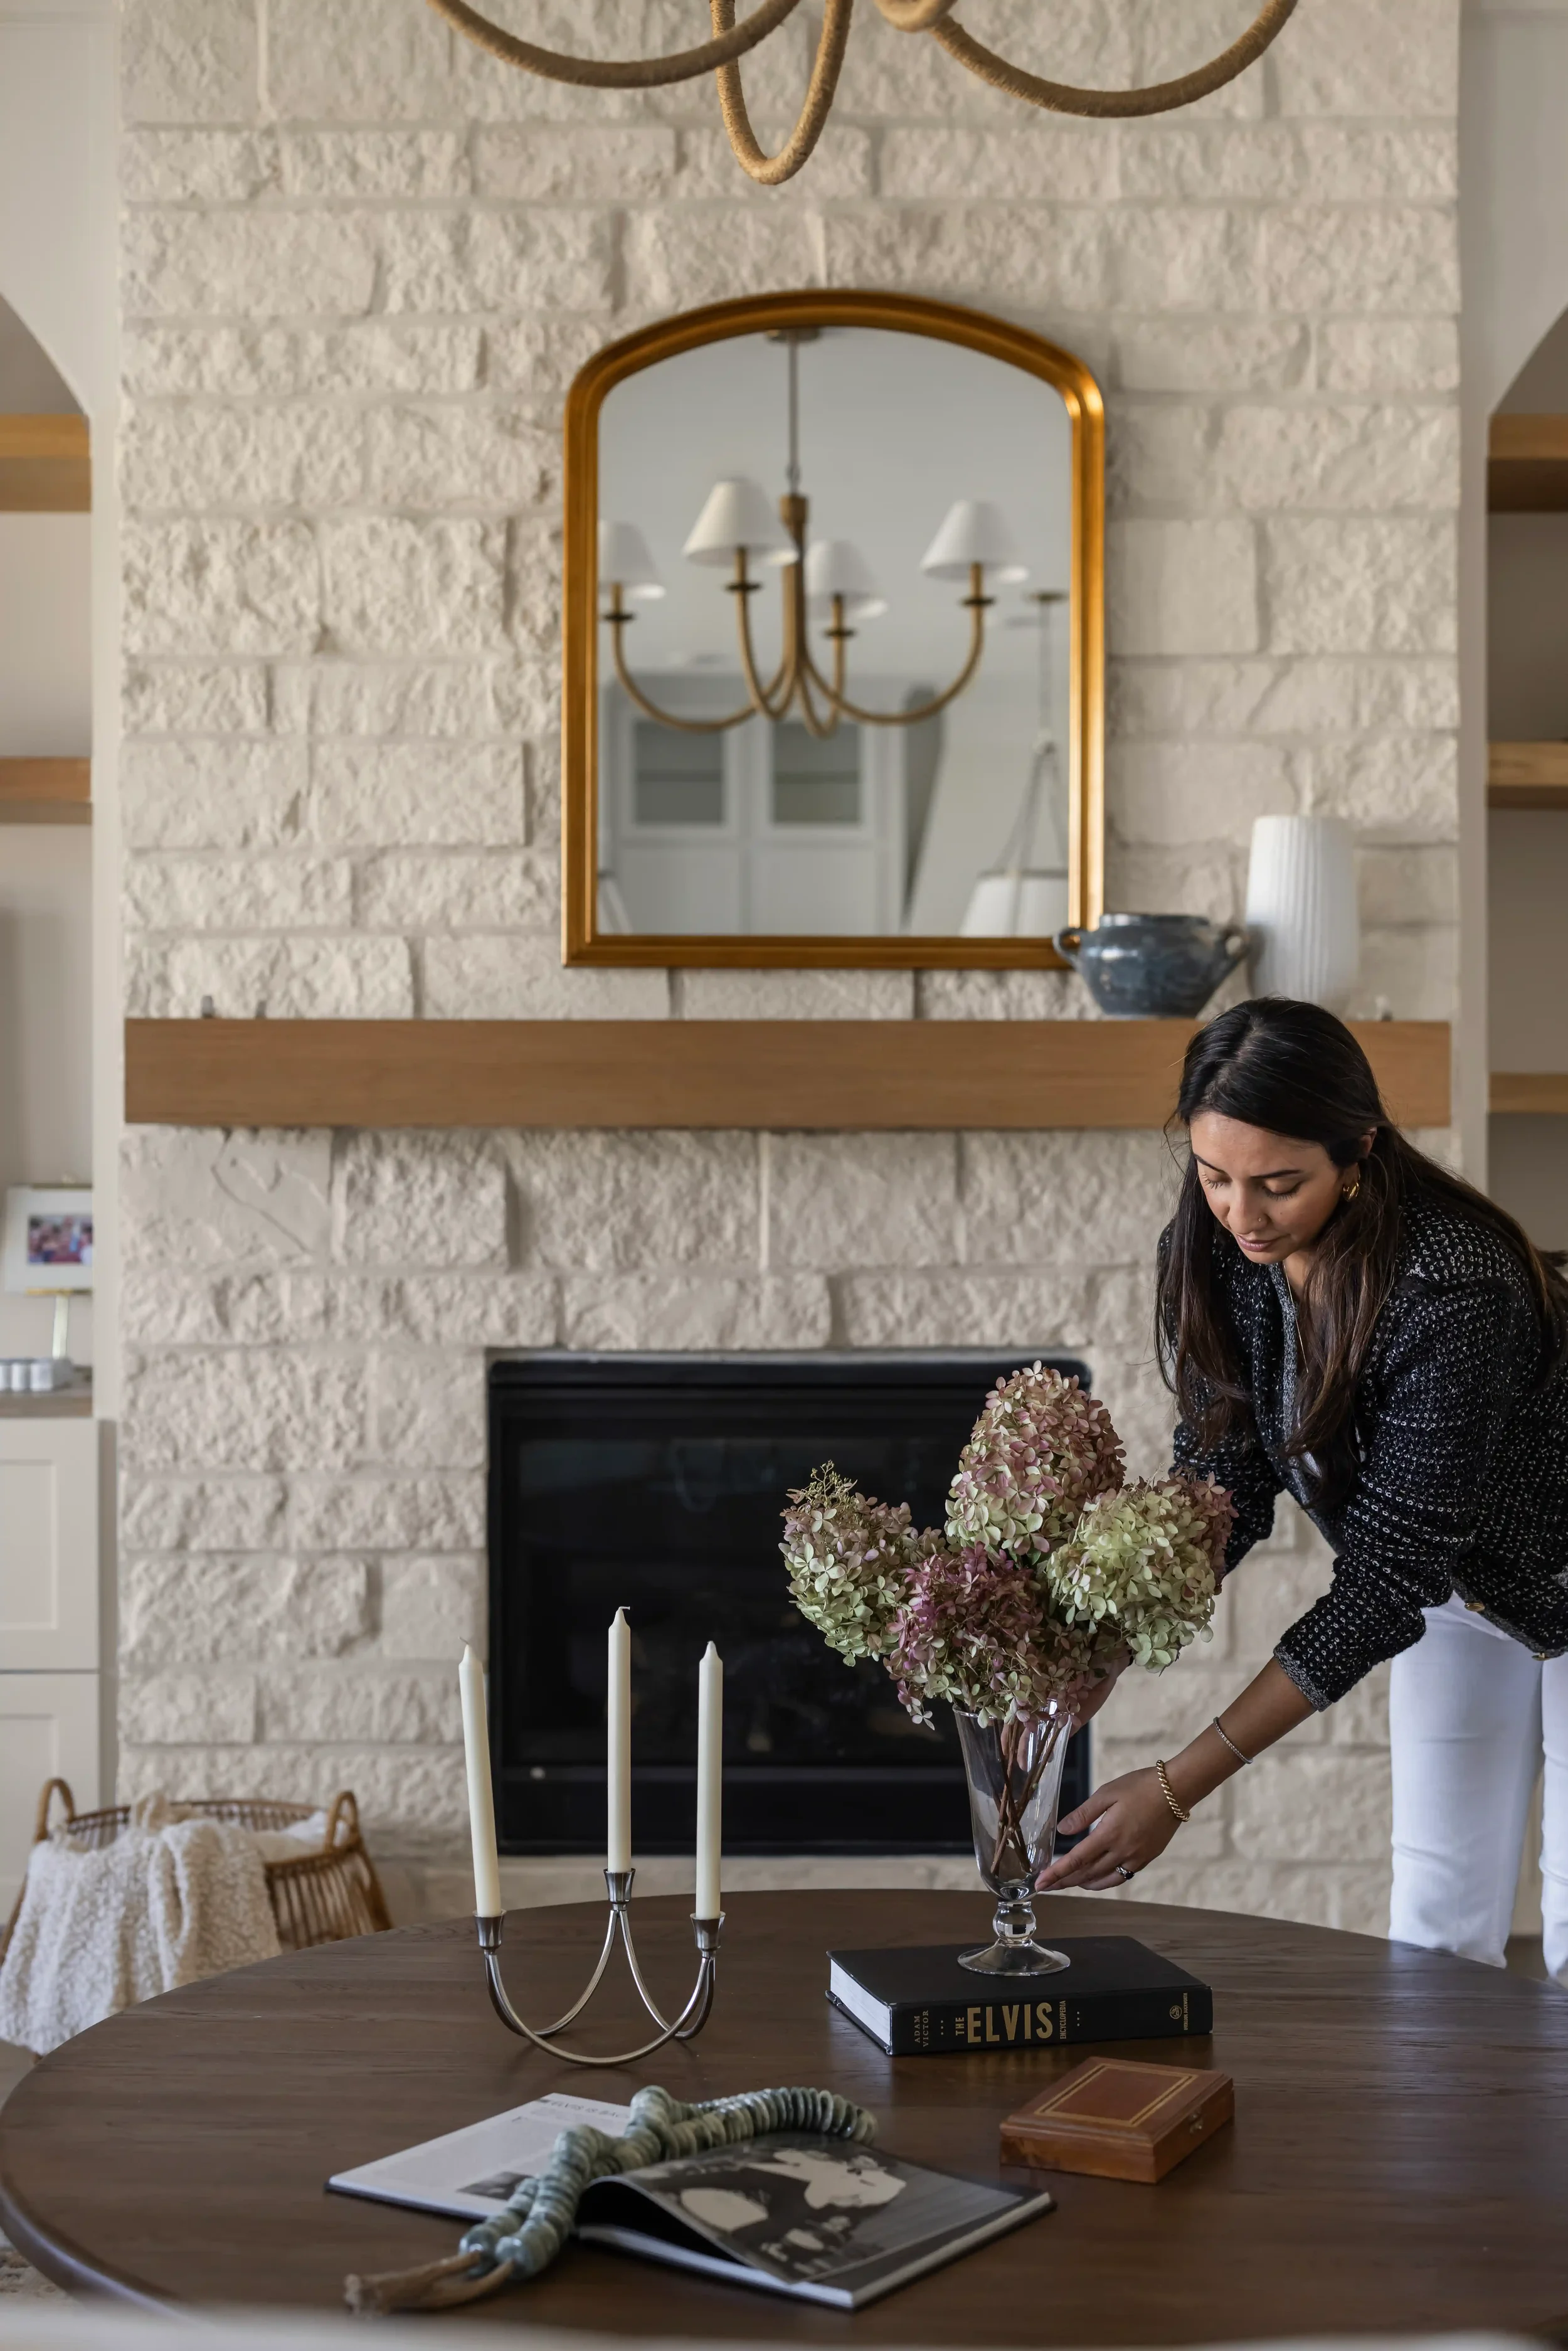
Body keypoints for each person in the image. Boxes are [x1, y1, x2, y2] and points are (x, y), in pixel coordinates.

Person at [1038, 997, 1568, 1977]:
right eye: (1215, 1176)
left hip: (1524, 1563)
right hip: (1464, 1585)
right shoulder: (1216, 1252)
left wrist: (1176, 1785)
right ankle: (1449, 2133)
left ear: (1358, 1151)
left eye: (1280, 1184)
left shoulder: (1454, 1286)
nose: (1242, 1214)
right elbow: (1223, 1479)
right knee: (1437, 1932)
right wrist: (1112, 1637)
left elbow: (1378, 1586)